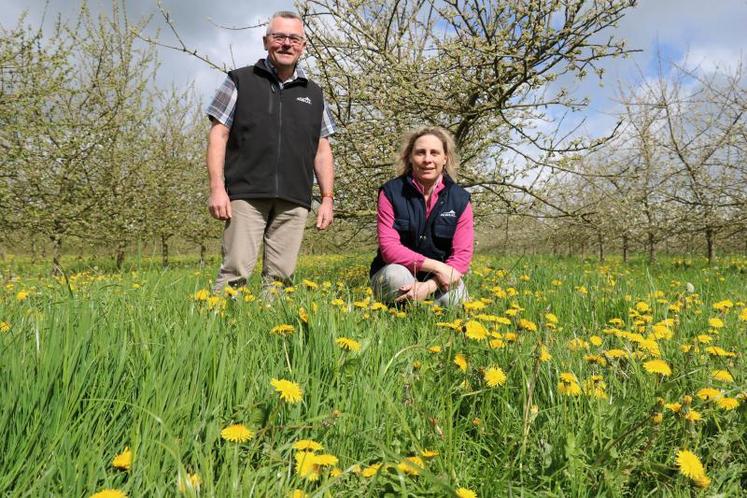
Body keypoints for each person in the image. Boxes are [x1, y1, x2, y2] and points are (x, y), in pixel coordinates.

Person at [205, 11, 335, 294]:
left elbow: (322, 149)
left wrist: (326, 198)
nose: (286, 43)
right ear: (266, 42)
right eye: (279, 37)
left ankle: (273, 334)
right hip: (246, 195)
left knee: (281, 279)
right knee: (235, 272)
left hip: (294, 198)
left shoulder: (315, 93)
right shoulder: (239, 80)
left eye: (294, 38)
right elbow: (219, 134)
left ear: (303, 45)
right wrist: (217, 187)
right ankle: (217, 332)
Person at [370, 126, 474, 307]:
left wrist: (428, 286)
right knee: (396, 277)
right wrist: (437, 266)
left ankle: (431, 328)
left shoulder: (460, 200)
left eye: (434, 153)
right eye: (420, 153)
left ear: (445, 158)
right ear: (410, 157)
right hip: (398, 272)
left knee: (454, 299)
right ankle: (396, 321)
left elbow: (461, 257)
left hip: (438, 280)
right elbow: (389, 248)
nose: (427, 159)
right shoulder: (390, 192)